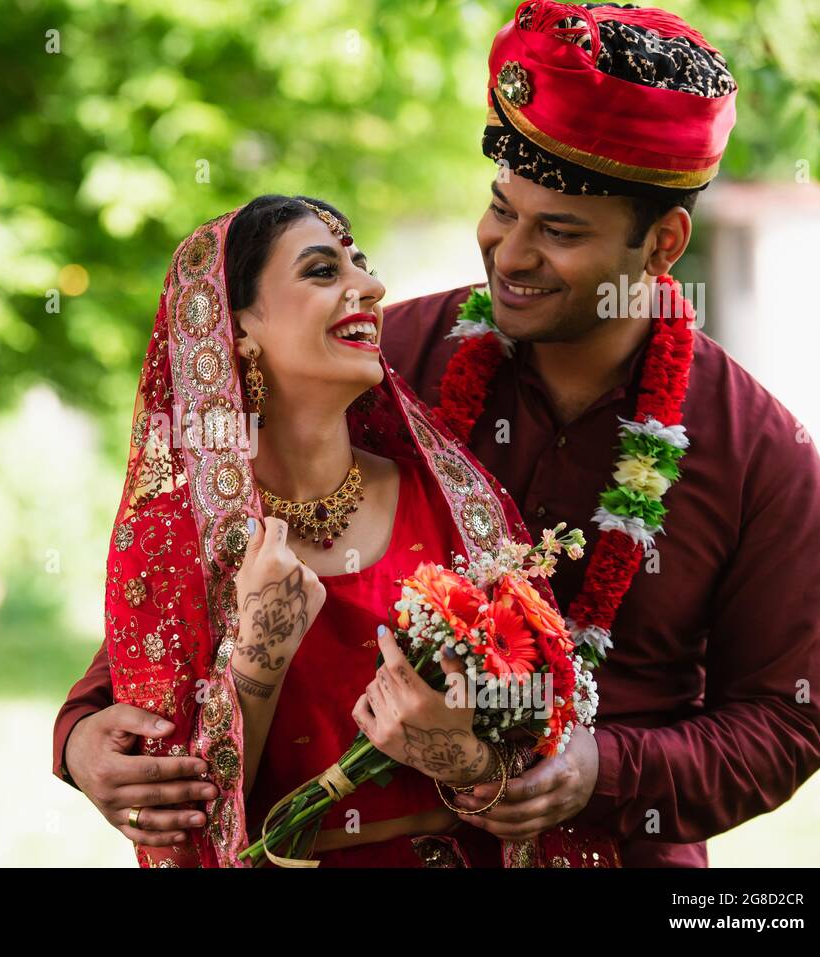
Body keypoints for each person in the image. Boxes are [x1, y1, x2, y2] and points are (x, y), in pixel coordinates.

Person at [56, 1, 820, 867]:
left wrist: (596, 767)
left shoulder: (759, 451)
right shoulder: (384, 363)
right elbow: (218, 566)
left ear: (663, 243)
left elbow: (783, 727)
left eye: (560, 231)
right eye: (502, 210)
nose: (509, 252)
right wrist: (84, 732)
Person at [77, 193, 618, 868]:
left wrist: (462, 752)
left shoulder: (448, 498)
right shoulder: (175, 539)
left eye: (360, 264)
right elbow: (185, 827)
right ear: (236, 324)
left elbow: (535, 750)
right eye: (322, 271)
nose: (370, 286)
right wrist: (258, 660)